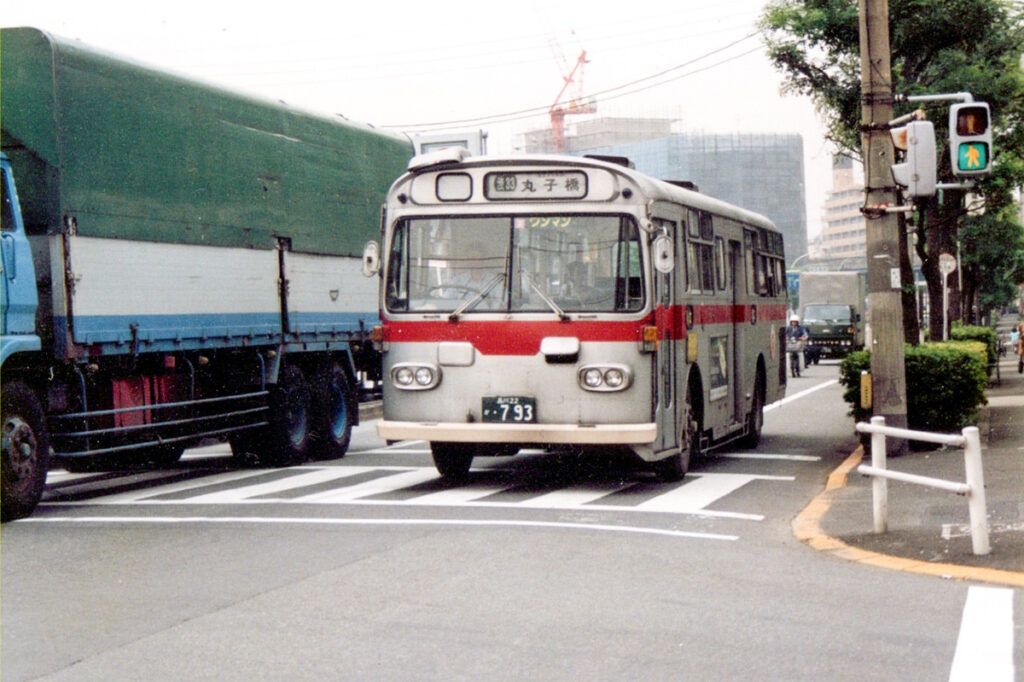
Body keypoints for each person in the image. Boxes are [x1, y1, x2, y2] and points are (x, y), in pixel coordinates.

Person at [785, 314, 810, 378]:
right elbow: (785, 334)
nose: (794, 323)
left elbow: (805, 334)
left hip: (798, 344)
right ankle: (791, 368)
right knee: (788, 355)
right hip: (790, 344)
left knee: (806, 350)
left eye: (795, 322)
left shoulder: (800, 328)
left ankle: (805, 363)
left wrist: (803, 338)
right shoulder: (788, 328)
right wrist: (786, 337)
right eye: (793, 322)